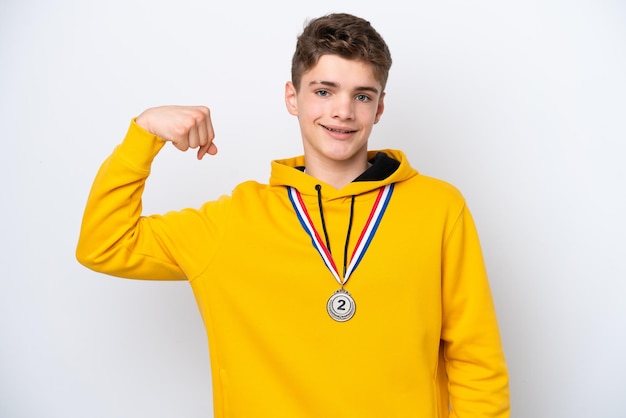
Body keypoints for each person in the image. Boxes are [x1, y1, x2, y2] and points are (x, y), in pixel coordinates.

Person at [76, 12, 510, 418]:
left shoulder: (438, 207)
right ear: (292, 97)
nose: (343, 111)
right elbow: (105, 244)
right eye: (323, 91)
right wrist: (144, 134)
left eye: (362, 95)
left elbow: (476, 361)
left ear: (379, 107)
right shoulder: (233, 222)